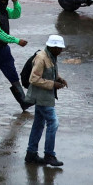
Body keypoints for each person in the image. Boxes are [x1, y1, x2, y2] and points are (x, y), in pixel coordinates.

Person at [25, 35, 67, 167]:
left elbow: (50, 72)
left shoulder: (51, 57)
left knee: (38, 124)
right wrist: (53, 84)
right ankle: (49, 154)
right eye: (59, 48)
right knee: (53, 123)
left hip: (46, 97)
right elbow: (33, 79)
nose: (61, 51)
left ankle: (31, 154)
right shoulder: (41, 58)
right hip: (41, 98)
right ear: (52, 47)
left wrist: (59, 78)